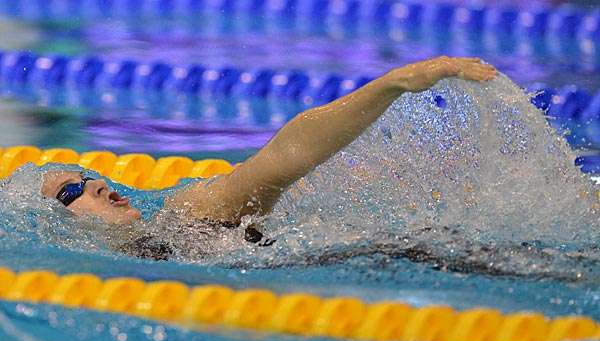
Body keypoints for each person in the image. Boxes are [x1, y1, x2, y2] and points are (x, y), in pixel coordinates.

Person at [39, 56, 496, 256]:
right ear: (56, 227)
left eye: (88, 175)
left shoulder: (184, 216)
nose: (98, 183)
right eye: (71, 191)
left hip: (411, 256)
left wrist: (390, 84)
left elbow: (282, 159)